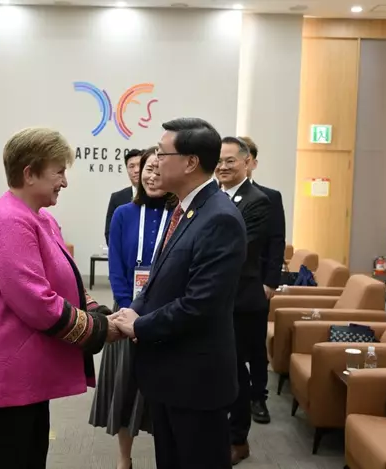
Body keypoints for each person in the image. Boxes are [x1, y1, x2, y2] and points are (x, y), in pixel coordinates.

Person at [0, 127, 120, 469]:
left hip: (22, 370)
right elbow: (37, 303)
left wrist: (98, 312)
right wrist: (99, 329)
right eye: (59, 172)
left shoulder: (41, 218)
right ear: (29, 173)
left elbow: (65, 280)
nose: (64, 182)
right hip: (0, 371)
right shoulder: (9, 222)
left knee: (29, 455)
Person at [113, 117, 246, 469]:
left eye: (162, 152)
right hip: (169, 376)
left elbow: (200, 304)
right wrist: (132, 310)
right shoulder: (184, 208)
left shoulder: (219, 218)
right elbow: (158, 279)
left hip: (196, 382)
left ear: (190, 162)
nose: (154, 161)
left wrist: (139, 325)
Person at [90, 147, 176, 469]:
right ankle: (124, 459)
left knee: (165, 392)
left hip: (167, 313)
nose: (152, 176)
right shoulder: (123, 213)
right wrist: (129, 313)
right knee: (125, 389)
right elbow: (116, 269)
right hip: (126, 312)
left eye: (159, 170)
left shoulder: (180, 215)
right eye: (147, 169)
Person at [215, 136, 271, 464]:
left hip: (239, 302)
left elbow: (240, 250)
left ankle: (238, 439)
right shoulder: (212, 196)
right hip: (213, 300)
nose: (223, 166)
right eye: (219, 161)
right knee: (216, 368)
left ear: (246, 162)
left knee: (236, 370)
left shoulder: (257, 201)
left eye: (230, 161)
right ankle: (217, 431)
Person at [239, 135, 286, 424]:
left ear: (251, 163)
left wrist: (270, 282)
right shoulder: (216, 195)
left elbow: (276, 242)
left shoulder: (269, 197)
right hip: (227, 288)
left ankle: (258, 397)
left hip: (256, 285)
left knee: (256, 345)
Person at [105, 149, 143, 244]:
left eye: (140, 165)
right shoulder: (117, 198)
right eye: (131, 166)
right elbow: (109, 234)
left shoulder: (156, 195)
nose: (136, 170)